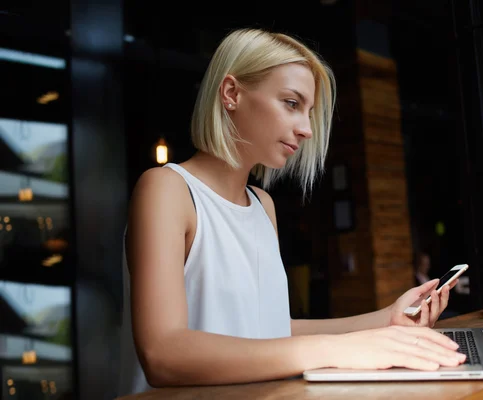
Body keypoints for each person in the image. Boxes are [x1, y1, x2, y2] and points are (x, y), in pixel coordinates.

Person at [117, 28, 465, 396]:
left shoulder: (263, 206)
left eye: (309, 111)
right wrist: (334, 350)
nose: (306, 130)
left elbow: (272, 331)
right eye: (291, 103)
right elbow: (163, 354)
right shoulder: (166, 190)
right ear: (231, 93)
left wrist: (387, 320)